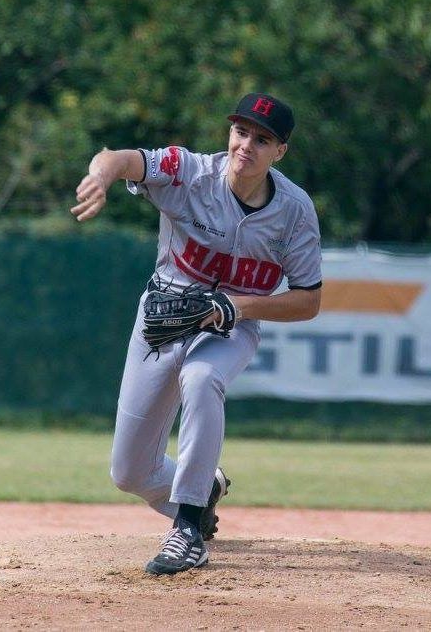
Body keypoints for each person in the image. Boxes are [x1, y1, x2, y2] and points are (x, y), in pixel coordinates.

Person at [70, 93, 322, 575]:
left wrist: (242, 306)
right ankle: (203, 490)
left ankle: (187, 529)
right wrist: (101, 176)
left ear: (280, 151)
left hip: (232, 327)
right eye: (240, 131)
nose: (246, 144)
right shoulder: (189, 171)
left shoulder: (294, 211)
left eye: (261, 138)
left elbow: (309, 299)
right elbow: (120, 159)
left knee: (203, 378)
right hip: (162, 320)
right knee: (128, 473)